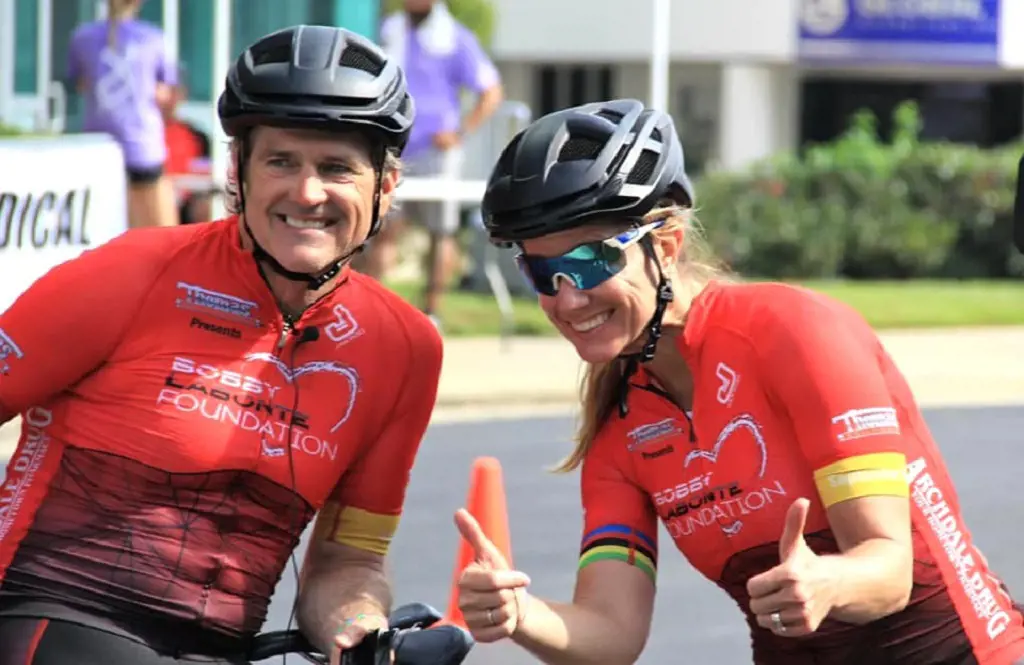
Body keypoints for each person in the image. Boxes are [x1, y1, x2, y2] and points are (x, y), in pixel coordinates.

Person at [451, 98, 1024, 665]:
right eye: (541, 272)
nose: (566, 298)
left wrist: (828, 583)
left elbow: (890, 570)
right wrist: (521, 614)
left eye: (591, 261)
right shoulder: (619, 431)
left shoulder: (794, 333)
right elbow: (612, 631)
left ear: (667, 245)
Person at [0, 25, 442, 665]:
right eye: (281, 161)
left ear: (386, 186)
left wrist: (361, 627)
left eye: (337, 168)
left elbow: (350, 558)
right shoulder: (135, 272)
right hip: (58, 616)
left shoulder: (405, 348)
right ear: (238, 172)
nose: (308, 193)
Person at [361, 0, 505, 327]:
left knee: (440, 233)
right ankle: (372, 308)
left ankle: (432, 311)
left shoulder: (455, 37)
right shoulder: (389, 31)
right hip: (394, 145)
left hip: (435, 153)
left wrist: (460, 132)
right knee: (382, 229)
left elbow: (491, 90)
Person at [67, 0, 179, 229]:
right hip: (141, 148)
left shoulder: (82, 38)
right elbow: (166, 94)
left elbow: (81, 84)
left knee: (103, 233)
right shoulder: (153, 39)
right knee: (164, 238)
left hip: (98, 148)